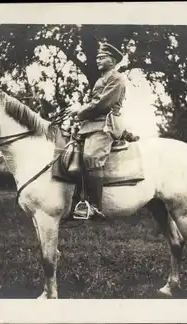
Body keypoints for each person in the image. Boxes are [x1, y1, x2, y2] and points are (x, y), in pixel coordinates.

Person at [66, 42, 127, 220]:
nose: (98, 60)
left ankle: (94, 206)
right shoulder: (102, 79)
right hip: (91, 125)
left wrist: (80, 110)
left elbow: (103, 104)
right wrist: (79, 116)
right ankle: (77, 201)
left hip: (104, 124)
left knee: (91, 157)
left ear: (113, 60)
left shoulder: (116, 78)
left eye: (103, 57)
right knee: (72, 155)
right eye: (97, 57)